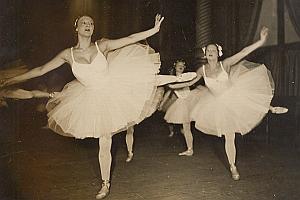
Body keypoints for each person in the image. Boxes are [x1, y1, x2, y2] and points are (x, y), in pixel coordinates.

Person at [0, 14, 197, 199]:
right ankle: (105, 183)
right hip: (90, 98)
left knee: (143, 81)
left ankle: (176, 78)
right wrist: (11, 80)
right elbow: (41, 70)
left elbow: (130, 38)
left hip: (113, 89)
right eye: (84, 23)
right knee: (104, 141)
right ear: (76, 27)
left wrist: (153, 30)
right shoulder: (67, 55)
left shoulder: (102, 45)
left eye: (91, 23)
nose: (88, 26)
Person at [170, 27, 287, 181]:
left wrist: (261, 41)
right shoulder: (202, 70)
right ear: (205, 54)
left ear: (218, 53)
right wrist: (172, 85)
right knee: (229, 136)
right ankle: (233, 165)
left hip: (233, 97)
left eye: (213, 49)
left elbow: (243, 52)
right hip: (217, 103)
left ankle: (270, 108)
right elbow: (189, 82)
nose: (210, 52)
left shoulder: (225, 64)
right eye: (208, 50)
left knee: (247, 103)